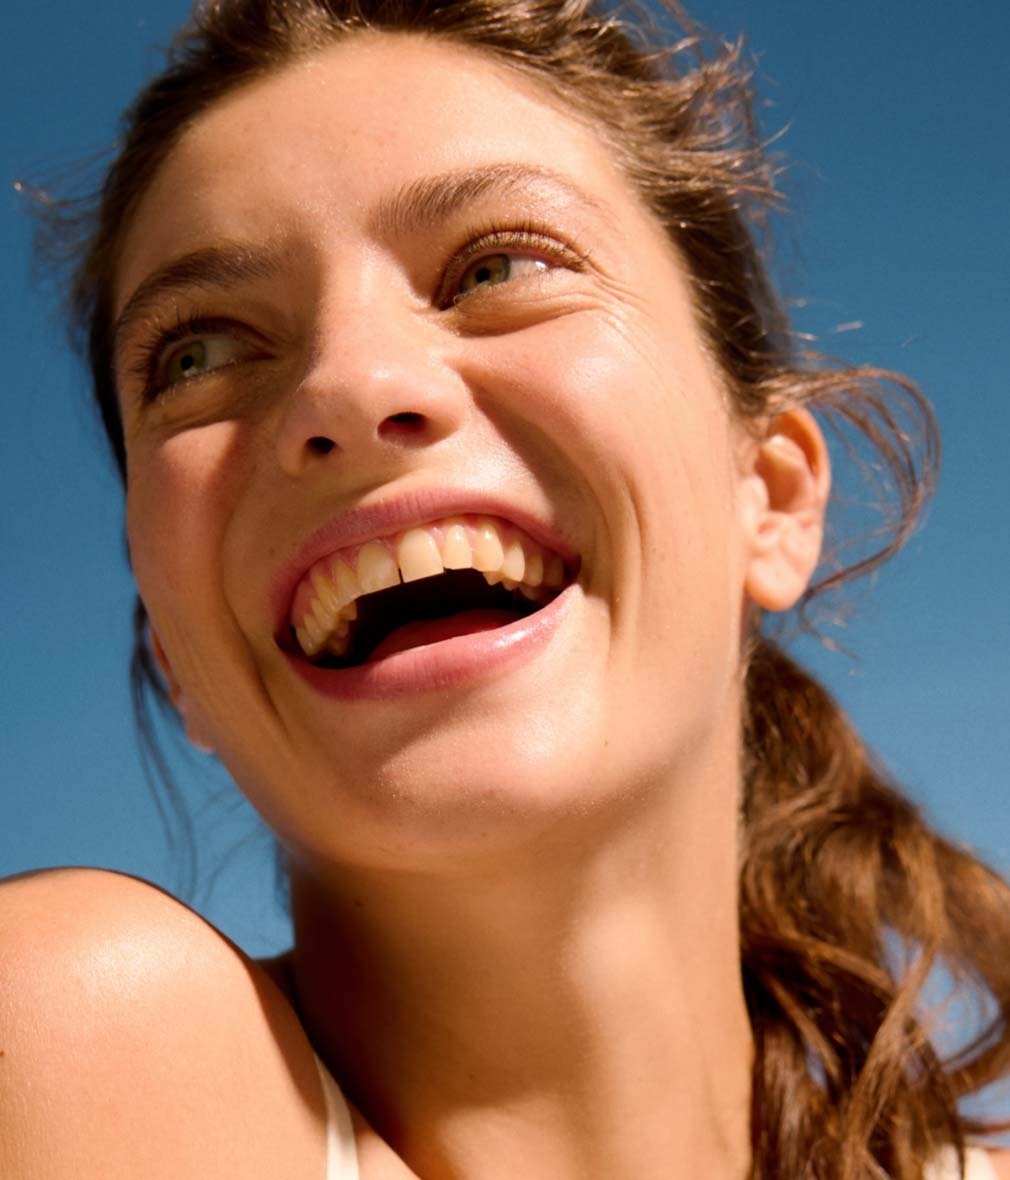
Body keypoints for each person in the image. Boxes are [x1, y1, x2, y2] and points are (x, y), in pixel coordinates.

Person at [2, 1, 1008, 1177]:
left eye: (498, 263)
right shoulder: (79, 1042)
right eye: (200, 352)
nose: (348, 384)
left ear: (769, 495)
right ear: (178, 659)